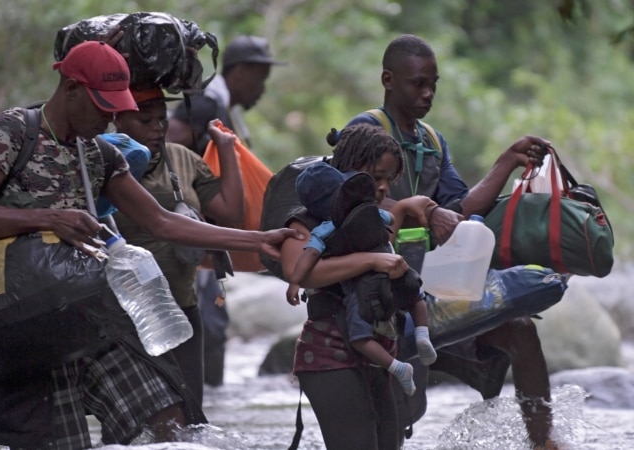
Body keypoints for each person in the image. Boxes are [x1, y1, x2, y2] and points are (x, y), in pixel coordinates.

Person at [0, 41, 301, 449]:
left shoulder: (100, 153)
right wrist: (48, 219)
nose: (110, 116)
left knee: (169, 423)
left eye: (116, 106)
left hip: (90, 321)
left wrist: (260, 239)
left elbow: (164, 222)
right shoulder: (13, 131)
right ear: (71, 88)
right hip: (25, 327)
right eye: (102, 105)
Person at [338, 33, 558, 449]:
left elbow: (461, 207)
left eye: (433, 84)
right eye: (417, 83)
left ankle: (544, 442)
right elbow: (347, 201)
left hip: (424, 287)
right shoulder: (363, 130)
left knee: (521, 329)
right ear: (388, 80)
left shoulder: (433, 142)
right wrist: (422, 209)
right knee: (402, 413)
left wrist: (508, 160)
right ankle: (460, 364)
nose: (428, 93)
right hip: (371, 290)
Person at [112, 86, 243, 406]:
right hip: (127, 314)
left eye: (161, 119)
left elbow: (231, 213)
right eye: (145, 120)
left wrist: (225, 148)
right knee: (132, 419)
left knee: (190, 416)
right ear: (117, 121)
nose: (157, 127)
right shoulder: (103, 161)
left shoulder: (183, 159)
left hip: (183, 307)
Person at [166, 35, 284, 387]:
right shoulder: (205, 103)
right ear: (241, 72)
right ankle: (200, 405)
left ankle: (205, 404)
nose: (261, 90)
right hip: (191, 231)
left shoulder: (219, 106)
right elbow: (167, 147)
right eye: (260, 79)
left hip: (210, 234)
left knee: (211, 322)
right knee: (206, 324)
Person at [285, 155, 438, 398]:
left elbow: (309, 257)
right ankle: (422, 335)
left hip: (362, 289)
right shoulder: (371, 212)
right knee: (416, 296)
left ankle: (397, 368)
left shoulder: (325, 227)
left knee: (359, 338)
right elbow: (389, 222)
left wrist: (295, 281)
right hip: (397, 273)